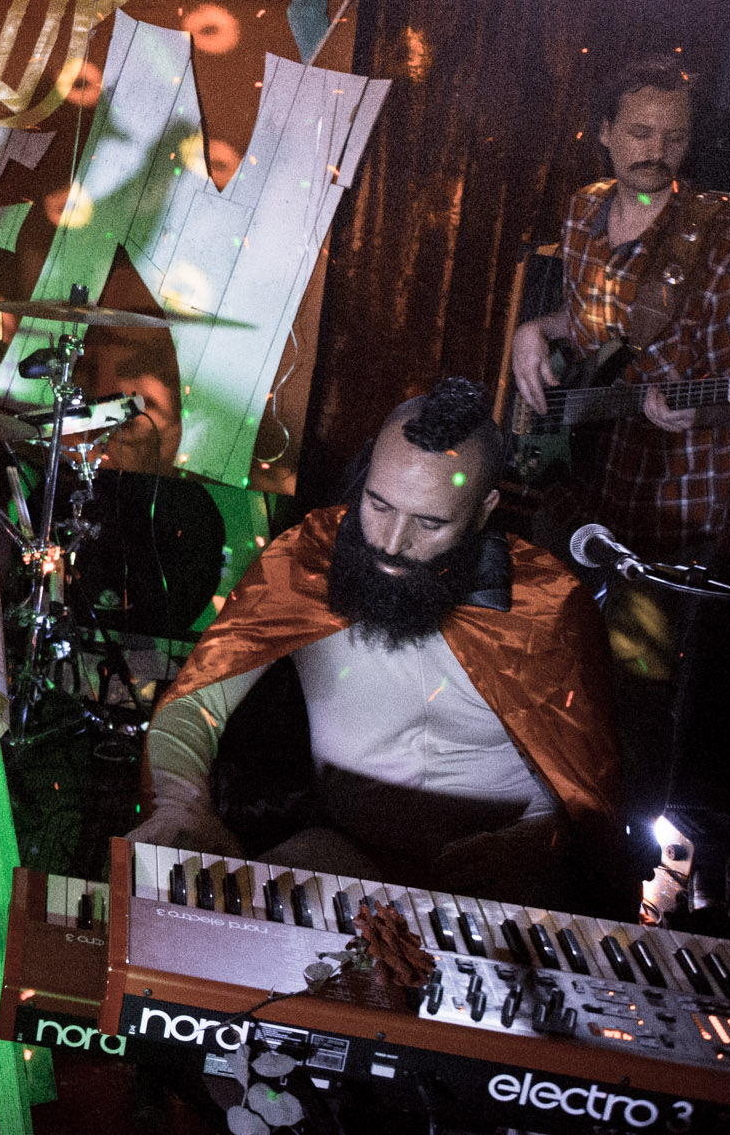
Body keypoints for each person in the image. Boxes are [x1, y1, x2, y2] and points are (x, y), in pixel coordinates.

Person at [130, 379, 624, 911]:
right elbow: (196, 701)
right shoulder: (304, 562)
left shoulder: (546, 605)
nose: (391, 543)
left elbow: (587, 789)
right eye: (379, 505)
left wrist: (539, 842)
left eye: (430, 522)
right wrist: (181, 804)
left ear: (485, 509)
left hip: (501, 877)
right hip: (343, 852)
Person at [509, 54, 730, 564]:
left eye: (675, 138)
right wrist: (534, 330)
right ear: (605, 131)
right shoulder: (583, 208)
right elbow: (589, 318)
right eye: (641, 132)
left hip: (669, 504)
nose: (656, 152)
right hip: (575, 484)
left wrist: (699, 410)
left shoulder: (725, 239)